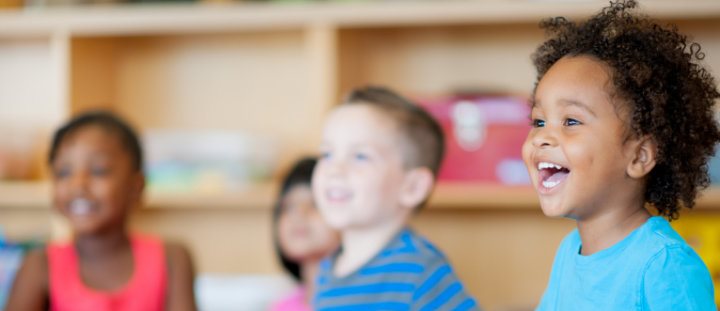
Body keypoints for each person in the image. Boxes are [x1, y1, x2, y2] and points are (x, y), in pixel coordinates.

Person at [523, 1, 719, 309]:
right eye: (538, 121)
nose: (542, 137)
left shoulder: (663, 266)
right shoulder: (569, 250)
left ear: (639, 157)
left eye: (571, 121)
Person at [7, 111, 197, 311]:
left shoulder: (172, 259)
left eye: (99, 170)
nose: (78, 185)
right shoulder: (39, 265)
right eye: (64, 172)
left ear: (136, 186)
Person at [312, 86, 479, 310]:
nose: (335, 169)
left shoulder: (420, 269)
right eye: (327, 154)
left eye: (360, 156)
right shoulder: (326, 271)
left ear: (412, 187)